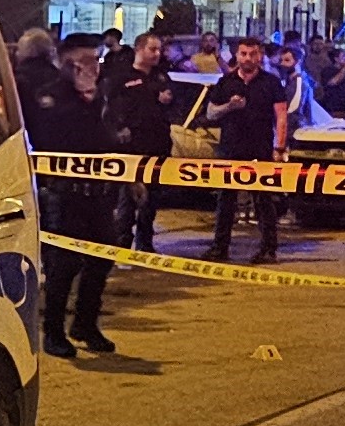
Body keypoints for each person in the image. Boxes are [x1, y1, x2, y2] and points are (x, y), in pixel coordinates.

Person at [21, 41, 119, 356]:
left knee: (102, 259)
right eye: (85, 62)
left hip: (99, 194)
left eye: (95, 61)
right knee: (63, 266)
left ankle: (85, 324)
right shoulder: (51, 96)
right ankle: (53, 333)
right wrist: (85, 101)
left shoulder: (99, 94)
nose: (93, 68)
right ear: (68, 65)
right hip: (65, 194)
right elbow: (54, 137)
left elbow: (106, 137)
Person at [199, 39, 291, 264]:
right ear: (237, 56)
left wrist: (279, 147)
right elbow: (210, 113)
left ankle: (268, 249)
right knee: (225, 200)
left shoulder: (270, 82)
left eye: (252, 53)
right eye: (243, 53)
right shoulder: (226, 82)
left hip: (260, 148)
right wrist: (229, 107)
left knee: (263, 201)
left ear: (260, 56)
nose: (248, 58)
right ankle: (220, 248)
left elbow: (281, 116)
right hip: (230, 148)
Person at [105, 34, 178, 253]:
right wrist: (119, 129)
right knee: (128, 197)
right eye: (152, 49)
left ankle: (145, 243)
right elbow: (110, 109)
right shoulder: (122, 77)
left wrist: (168, 101)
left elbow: (174, 106)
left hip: (157, 145)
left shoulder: (161, 76)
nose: (157, 54)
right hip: (132, 147)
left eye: (159, 50)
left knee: (152, 198)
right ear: (139, 49)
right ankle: (122, 243)